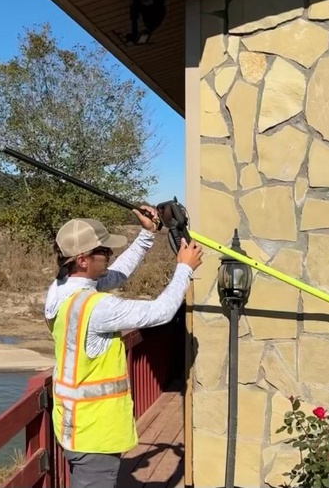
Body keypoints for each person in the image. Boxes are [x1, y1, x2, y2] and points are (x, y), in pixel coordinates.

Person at [44, 205, 203, 488]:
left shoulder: (59, 290)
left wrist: (146, 235)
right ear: (82, 259)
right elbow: (161, 312)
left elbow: (115, 275)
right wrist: (184, 269)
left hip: (74, 427)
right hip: (96, 435)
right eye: (103, 252)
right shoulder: (97, 308)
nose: (109, 256)